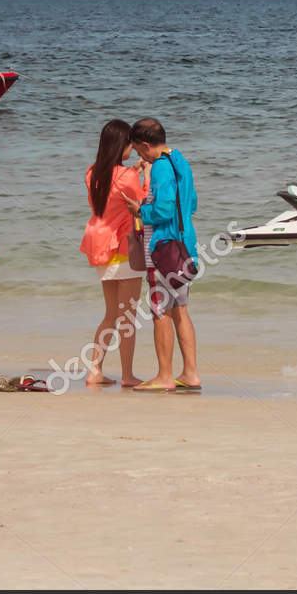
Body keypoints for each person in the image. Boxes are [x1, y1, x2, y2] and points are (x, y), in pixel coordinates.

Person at [125, 117, 202, 393]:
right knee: (180, 309)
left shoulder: (159, 167)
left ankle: (164, 376)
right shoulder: (179, 159)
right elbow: (191, 203)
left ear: (146, 145)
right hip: (186, 246)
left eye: (137, 150)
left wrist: (140, 211)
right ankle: (190, 373)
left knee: (160, 311)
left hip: (163, 248)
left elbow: (164, 210)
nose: (138, 155)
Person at [81, 119, 149, 388]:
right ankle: (128, 375)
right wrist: (146, 175)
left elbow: (114, 189)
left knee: (110, 313)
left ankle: (95, 369)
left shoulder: (91, 172)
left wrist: (132, 171)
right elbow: (140, 202)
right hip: (123, 247)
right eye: (130, 143)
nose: (132, 147)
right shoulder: (127, 177)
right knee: (128, 316)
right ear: (122, 144)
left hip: (100, 245)